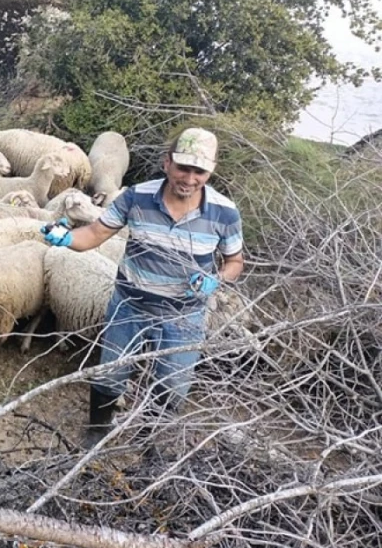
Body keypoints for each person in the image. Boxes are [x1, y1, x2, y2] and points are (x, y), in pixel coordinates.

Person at [40, 127, 244, 448]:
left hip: (184, 317)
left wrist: (216, 279)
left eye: (199, 170)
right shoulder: (136, 196)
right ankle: (97, 431)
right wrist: (66, 239)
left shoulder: (225, 212)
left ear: (211, 171)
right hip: (130, 306)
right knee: (110, 374)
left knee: (172, 385)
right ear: (167, 163)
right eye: (183, 167)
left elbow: (235, 261)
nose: (189, 178)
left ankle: (152, 443)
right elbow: (94, 234)